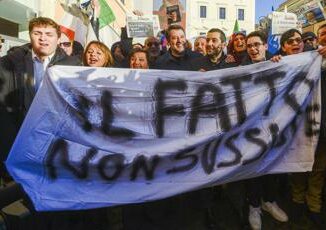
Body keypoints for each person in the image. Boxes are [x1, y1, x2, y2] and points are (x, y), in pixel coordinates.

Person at [243, 31, 289, 230]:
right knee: (253, 169)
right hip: (249, 129)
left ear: (265, 45)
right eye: (249, 46)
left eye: (256, 44)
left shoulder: (278, 62)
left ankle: (269, 201)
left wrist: (280, 62)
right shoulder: (240, 70)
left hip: (275, 125)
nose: (253, 49)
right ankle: (254, 206)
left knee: (271, 166)